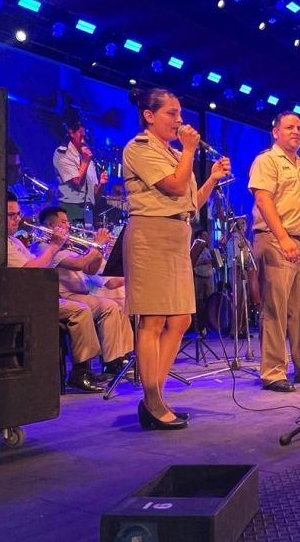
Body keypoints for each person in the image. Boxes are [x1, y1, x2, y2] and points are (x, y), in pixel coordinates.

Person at [123, 87, 231, 429]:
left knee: (181, 319)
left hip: (175, 235)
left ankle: (156, 392)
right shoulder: (140, 148)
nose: (180, 121)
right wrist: (188, 150)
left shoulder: (172, 154)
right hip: (151, 235)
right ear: (149, 116)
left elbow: (188, 203)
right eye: (172, 113)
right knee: (152, 321)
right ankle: (152, 400)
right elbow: (172, 187)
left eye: (180, 114)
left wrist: (212, 178)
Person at [249, 111, 300, 392]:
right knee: (275, 309)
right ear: (276, 132)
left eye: (298, 127)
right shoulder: (267, 160)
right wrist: (283, 238)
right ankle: (273, 372)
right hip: (275, 240)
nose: (296, 131)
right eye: (289, 127)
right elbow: (263, 198)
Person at [6, 191, 106, 392]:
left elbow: (89, 269)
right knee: (80, 310)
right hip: (23, 301)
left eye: (18, 213)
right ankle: (80, 372)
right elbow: (31, 271)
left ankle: (91, 367)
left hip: (41, 297)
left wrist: (96, 250)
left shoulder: (15, 241)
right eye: (11, 215)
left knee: (95, 306)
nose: (18, 218)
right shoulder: (18, 244)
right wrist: (54, 245)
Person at [33, 206, 133, 377]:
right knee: (109, 306)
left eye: (68, 222)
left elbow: (90, 269)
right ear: (50, 225)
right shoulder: (44, 246)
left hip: (80, 295)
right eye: (63, 222)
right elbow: (78, 264)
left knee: (115, 305)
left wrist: (99, 252)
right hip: (64, 295)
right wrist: (97, 246)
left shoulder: (66, 247)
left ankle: (120, 358)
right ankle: (109, 362)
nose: (68, 226)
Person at [53, 117, 108, 225]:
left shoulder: (87, 156)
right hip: (70, 209)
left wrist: (101, 185)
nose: (85, 136)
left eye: (87, 133)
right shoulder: (62, 154)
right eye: (82, 132)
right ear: (72, 133)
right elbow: (77, 183)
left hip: (88, 211)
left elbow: (94, 196)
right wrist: (85, 161)